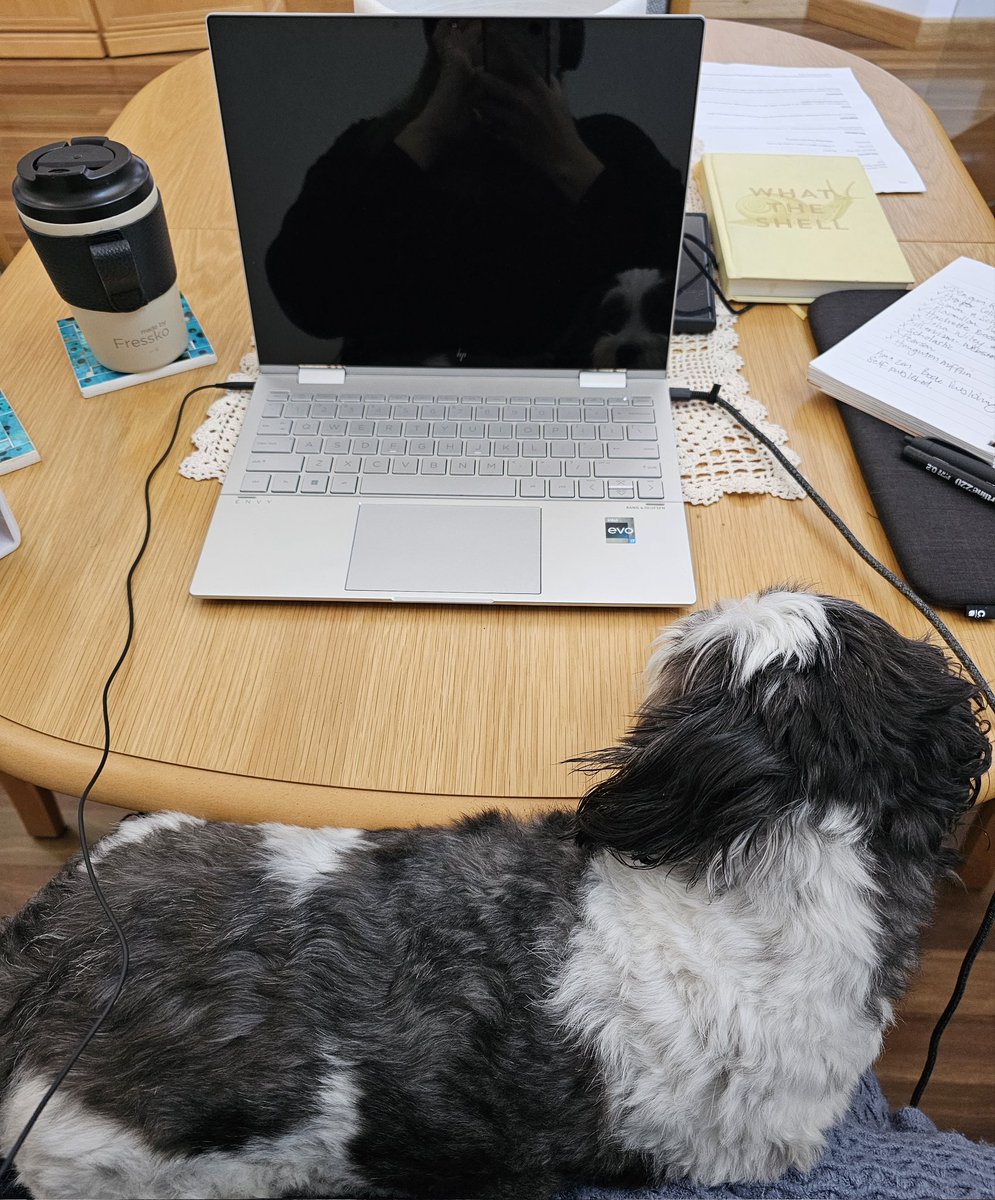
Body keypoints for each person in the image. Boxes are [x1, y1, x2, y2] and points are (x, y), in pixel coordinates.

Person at [265, 18, 685, 367]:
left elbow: (681, 283)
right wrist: (426, 136)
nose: (499, 42)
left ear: (565, 41)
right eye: (475, 23)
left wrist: (569, 159)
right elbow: (308, 302)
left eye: (528, 27)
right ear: (443, 37)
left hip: (560, 397)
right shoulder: (374, 151)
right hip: (393, 394)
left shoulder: (611, 145)